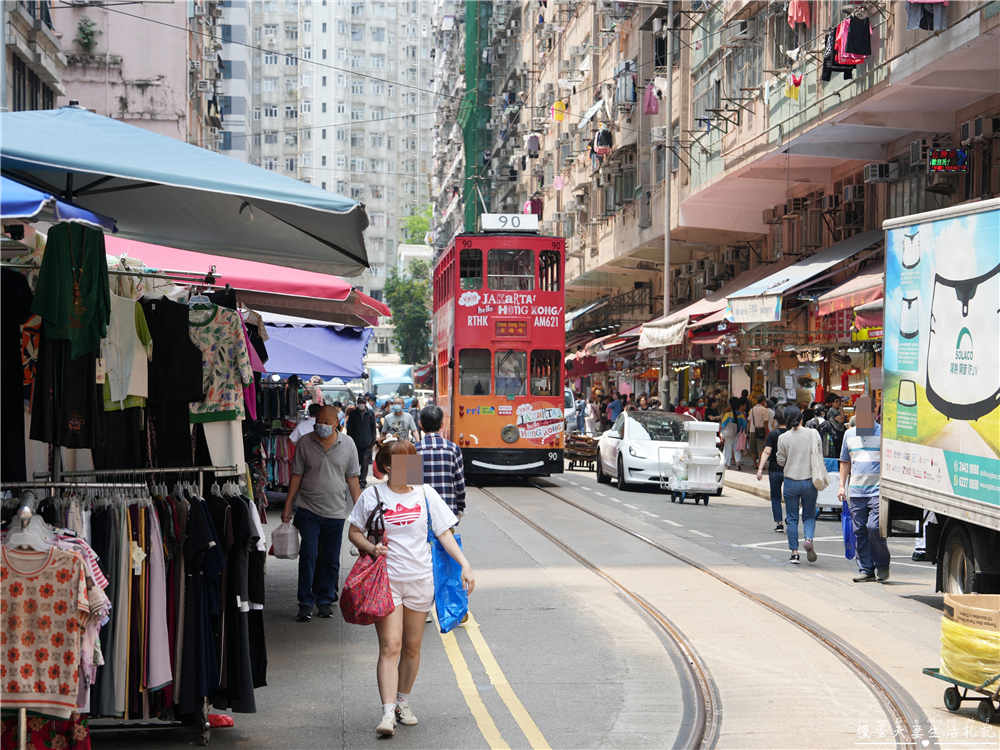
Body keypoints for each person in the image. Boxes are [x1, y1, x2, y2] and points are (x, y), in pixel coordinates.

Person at [347, 438, 475, 737]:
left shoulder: (425, 494)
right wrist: (371, 547)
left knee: (412, 646)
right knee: (390, 645)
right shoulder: (373, 495)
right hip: (386, 581)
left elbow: (444, 533)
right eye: (406, 463)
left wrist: (464, 565)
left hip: (420, 580)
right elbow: (354, 531)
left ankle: (403, 701)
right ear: (388, 467)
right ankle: (388, 712)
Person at [282, 406, 362, 621]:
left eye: (327, 421)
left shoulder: (348, 444)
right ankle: (305, 602)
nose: (322, 424)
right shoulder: (305, 442)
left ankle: (325, 600)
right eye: (319, 420)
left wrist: (360, 509)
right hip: (308, 508)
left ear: (337, 422)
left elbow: (352, 479)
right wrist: (288, 504)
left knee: (331, 558)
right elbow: (297, 475)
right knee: (309, 554)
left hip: (335, 512)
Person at [839, 397, 890, 582]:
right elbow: (845, 462)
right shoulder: (849, 435)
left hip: (877, 491)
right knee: (859, 530)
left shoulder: (883, 433)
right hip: (856, 491)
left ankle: (883, 564)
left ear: (873, 414)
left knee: (874, 527)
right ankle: (866, 568)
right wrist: (841, 486)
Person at [775, 405, 820, 565]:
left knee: (792, 519)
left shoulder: (783, 437)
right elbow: (820, 453)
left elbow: (780, 461)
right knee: (808, 515)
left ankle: (794, 553)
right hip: (810, 481)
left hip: (790, 482)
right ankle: (808, 538)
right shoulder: (813, 434)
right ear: (801, 417)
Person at [415, 405, 467, 520]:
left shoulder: (412, 449)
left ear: (420, 425)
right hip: (447, 512)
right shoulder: (454, 449)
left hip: (419, 513)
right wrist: (460, 506)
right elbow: (460, 484)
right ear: (441, 425)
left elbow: (406, 485)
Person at [756, 408, 788, 533]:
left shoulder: (773, 434)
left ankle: (779, 523)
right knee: (791, 497)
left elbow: (767, 451)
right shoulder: (792, 434)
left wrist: (760, 468)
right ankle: (790, 519)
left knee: (775, 497)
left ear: (776, 420)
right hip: (790, 470)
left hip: (774, 470)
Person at [347, 396, 378, 489]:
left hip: (367, 443)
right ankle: (356, 479)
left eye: (362, 402)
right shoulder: (353, 414)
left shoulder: (370, 413)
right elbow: (350, 428)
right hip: (355, 442)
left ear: (365, 403)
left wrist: (373, 441)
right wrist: (349, 440)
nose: (361, 404)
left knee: (365, 463)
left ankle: (363, 481)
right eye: (359, 402)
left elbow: (373, 428)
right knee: (355, 463)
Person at [720, 398, 746, 471]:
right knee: (737, 449)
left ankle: (727, 464)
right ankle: (738, 462)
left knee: (727, 449)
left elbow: (723, 424)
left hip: (728, 434)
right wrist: (740, 429)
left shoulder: (727, 414)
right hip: (737, 434)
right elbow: (744, 424)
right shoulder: (741, 415)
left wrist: (722, 432)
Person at [747, 395, 770, 467]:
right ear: (763, 401)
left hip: (752, 431)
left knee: (753, 449)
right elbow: (765, 423)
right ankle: (760, 464)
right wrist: (766, 433)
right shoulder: (764, 410)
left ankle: (754, 464)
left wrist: (750, 429)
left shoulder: (752, 409)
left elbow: (749, 421)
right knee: (761, 448)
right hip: (761, 430)